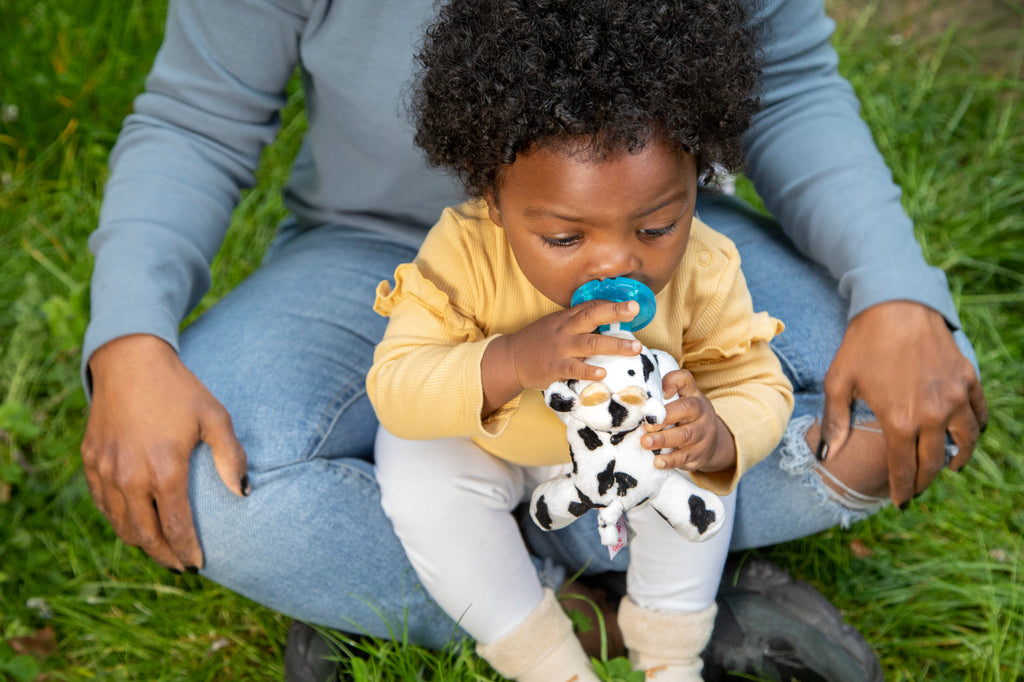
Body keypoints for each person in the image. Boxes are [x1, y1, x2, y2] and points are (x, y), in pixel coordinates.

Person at [78, 0, 988, 679]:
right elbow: (196, 120)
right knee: (207, 483)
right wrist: (128, 340)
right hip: (375, 258)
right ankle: (592, 593)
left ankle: (449, 574)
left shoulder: (664, 244)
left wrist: (896, 295)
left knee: (900, 403)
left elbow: (784, 83)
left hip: (647, 232)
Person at [366, 4, 793, 679]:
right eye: (565, 238)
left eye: (656, 227)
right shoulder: (464, 253)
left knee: (698, 456)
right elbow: (394, 386)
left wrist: (722, 435)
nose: (616, 263)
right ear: (496, 201)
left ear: (696, 184)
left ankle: (670, 656)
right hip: (496, 449)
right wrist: (512, 360)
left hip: (636, 455)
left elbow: (757, 379)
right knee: (416, 469)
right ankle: (545, 657)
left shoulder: (707, 267)